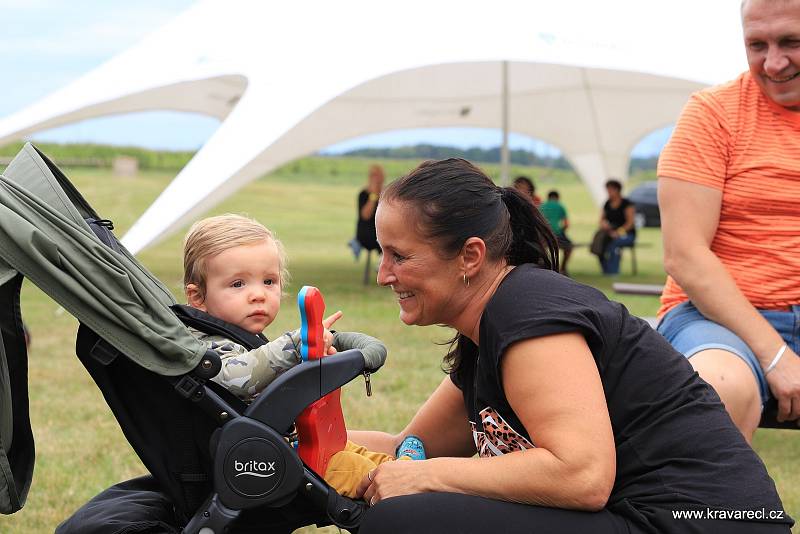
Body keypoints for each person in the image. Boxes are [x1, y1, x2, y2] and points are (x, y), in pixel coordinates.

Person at [347, 158, 792, 533]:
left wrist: (427, 478)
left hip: (700, 520)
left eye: (399, 256)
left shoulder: (527, 315)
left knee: (401, 519)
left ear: (470, 256)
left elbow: (582, 476)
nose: (385, 274)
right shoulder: (486, 329)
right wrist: (290, 435)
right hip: (646, 516)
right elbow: (408, 447)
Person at [182, 214, 424, 498]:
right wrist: (294, 344)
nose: (258, 294)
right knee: (347, 466)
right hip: (264, 460)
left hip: (288, 444)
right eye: (238, 284)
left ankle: (401, 468)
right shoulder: (205, 346)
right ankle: (402, 479)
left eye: (269, 281)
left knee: (348, 450)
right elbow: (238, 377)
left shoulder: (240, 337)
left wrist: (311, 354)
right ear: (198, 297)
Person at [656, 0, 800, 443]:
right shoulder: (714, 114)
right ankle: (716, 516)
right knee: (718, 389)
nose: (773, 63)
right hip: (715, 317)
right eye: (757, 45)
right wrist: (776, 356)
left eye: (791, 42)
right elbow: (685, 254)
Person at [597, 179, 636, 275]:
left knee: (614, 245)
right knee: (599, 245)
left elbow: (630, 223)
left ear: (617, 190)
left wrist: (619, 232)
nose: (608, 193)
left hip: (627, 234)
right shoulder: (607, 203)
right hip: (610, 234)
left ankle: (613, 272)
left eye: (610, 190)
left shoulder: (627, 204)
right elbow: (601, 219)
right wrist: (604, 225)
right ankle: (606, 270)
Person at [349, 164, 385, 259]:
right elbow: (365, 215)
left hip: (382, 232)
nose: (376, 179)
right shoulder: (363, 194)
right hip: (367, 234)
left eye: (378, 175)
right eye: (373, 175)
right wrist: (373, 196)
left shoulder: (386, 194)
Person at [539, 189, 573, 275]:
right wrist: (562, 231)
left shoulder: (542, 205)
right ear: (557, 198)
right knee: (569, 248)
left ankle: (544, 267)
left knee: (541, 249)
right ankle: (563, 268)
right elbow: (566, 224)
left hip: (543, 234)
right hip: (556, 233)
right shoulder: (560, 206)